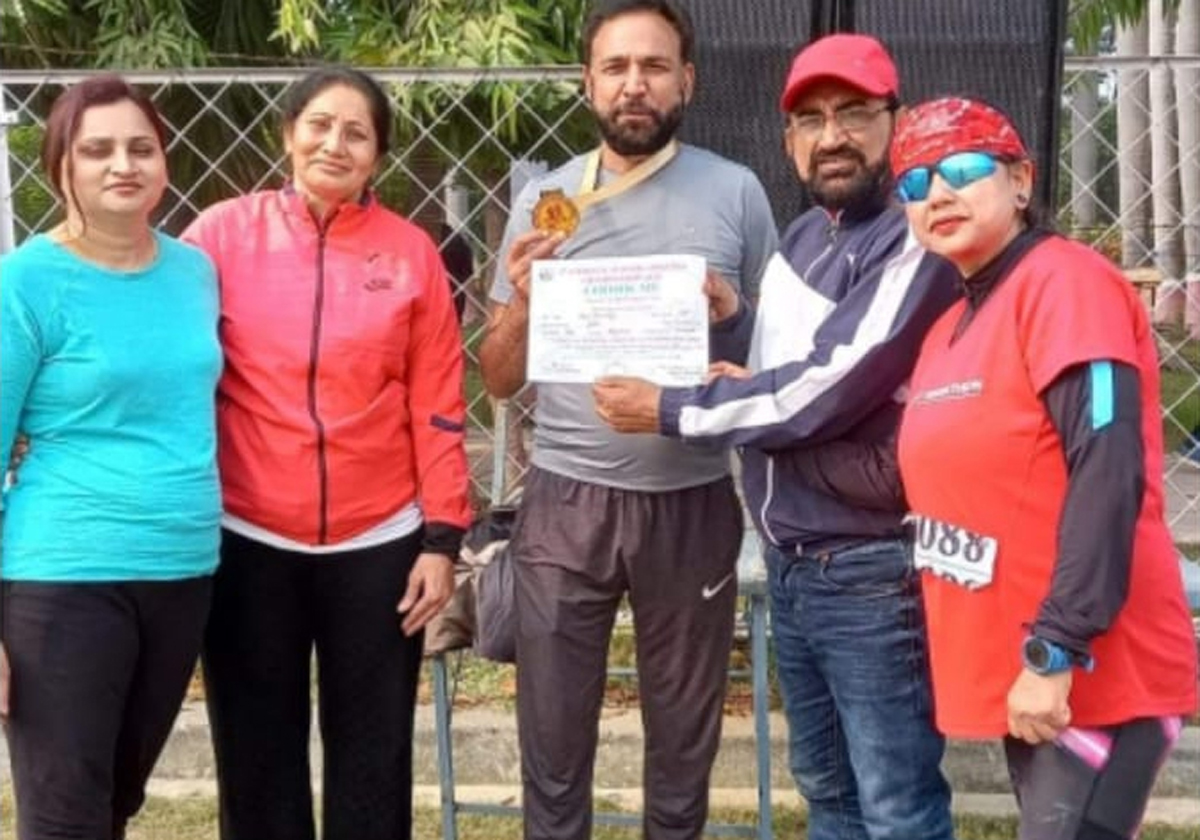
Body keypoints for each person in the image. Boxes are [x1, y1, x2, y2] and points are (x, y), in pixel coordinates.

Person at [592, 34, 959, 840]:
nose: (833, 137)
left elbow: (821, 391)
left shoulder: (915, 240)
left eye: (855, 114)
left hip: (869, 569)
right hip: (796, 566)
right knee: (826, 792)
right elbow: (784, 370)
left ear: (894, 123)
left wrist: (673, 406)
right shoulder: (803, 238)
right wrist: (737, 324)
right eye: (811, 119)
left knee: (897, 805)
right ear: (789, 140)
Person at [478, 1, 777, 837]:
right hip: (565, 500)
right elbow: (499, 380)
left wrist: (728, 309)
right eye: (615, 68)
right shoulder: (546, 198)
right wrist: (522, 304)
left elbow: (780, 355)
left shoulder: (737, 191)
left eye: (653, 66)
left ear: (687, 80)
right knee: (552, 738)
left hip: (690, 496)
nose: (634, 85)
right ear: (588, 84)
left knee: (683, 742)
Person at [890, 96, 1199, 840]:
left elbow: (1108, 466)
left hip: (1090, 674)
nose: (937, 193)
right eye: (914, 181)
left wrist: (1056, 645)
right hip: (1030, 671)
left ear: (1021, 181)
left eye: (963, 168)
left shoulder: (1066, 283)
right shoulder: (949, 326)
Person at [181, 67, 472, 840]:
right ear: (288, 133)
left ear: (378, 154)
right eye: (319, 124)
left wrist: (441, 538)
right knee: (255, 751)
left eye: (357, 132)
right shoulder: (217, 237)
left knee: (374, 756)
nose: (334, 143)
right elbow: (174, 369)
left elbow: (438, 404)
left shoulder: (411, 253)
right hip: (247, 537)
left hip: (379, 541)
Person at [0, 75, 221, 840]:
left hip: (182, 570)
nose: (121, 164)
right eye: (97, 149)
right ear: (61, 162)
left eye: (140, 147)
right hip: (63, 577)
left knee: (117, 802)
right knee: (65, 816)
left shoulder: (194, 272)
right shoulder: (25, 280)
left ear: (164, 161)